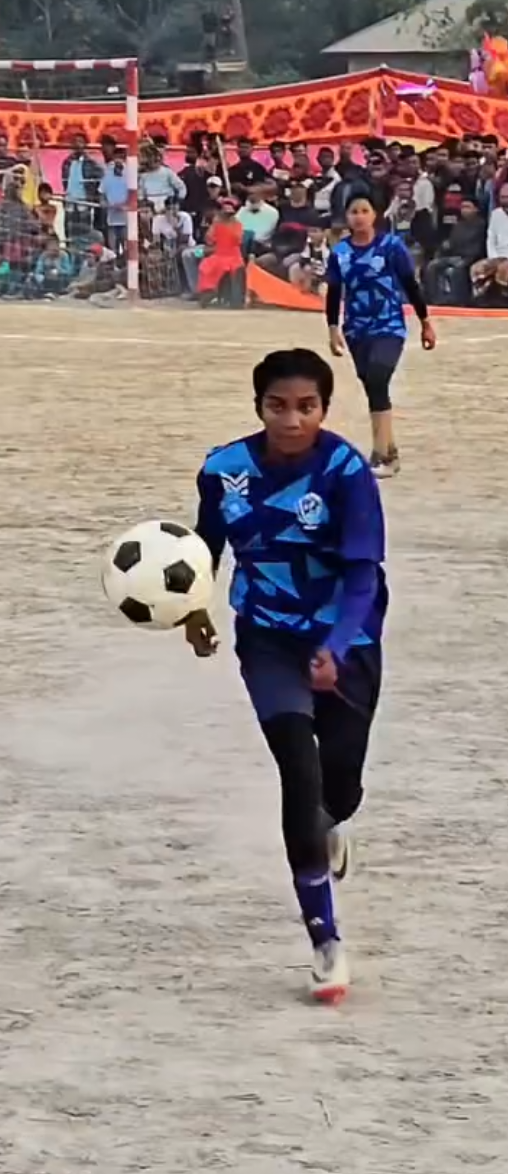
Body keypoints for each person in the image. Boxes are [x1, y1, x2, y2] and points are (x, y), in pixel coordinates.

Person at [188, 348, 388, 1003]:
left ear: (325, 409)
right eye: (279, 406)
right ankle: (325, 939)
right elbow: (203, 551)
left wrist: (333, 645)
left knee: (340, 789)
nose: (292, 419)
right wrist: (194, 611)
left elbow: (362, 572)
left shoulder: (345, 470)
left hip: (347, 640)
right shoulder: (224, 471)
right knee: (298, 778)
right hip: (269, 639)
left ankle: (332, 822)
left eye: (307, 407)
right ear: (259, 407)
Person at [326, 191, 436, 478]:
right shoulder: (340, 253)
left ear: (374, 214)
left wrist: (425, 321)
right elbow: (335, 291)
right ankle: (390, 450)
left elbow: (410, 284)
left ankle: (381, 454)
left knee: (377, 376)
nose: (359, 217)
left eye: (364, 210)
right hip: (356, 327)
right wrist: (333, 327)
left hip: (389, 325)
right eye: (353, 211)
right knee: (373, 387)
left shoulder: (391, 247)